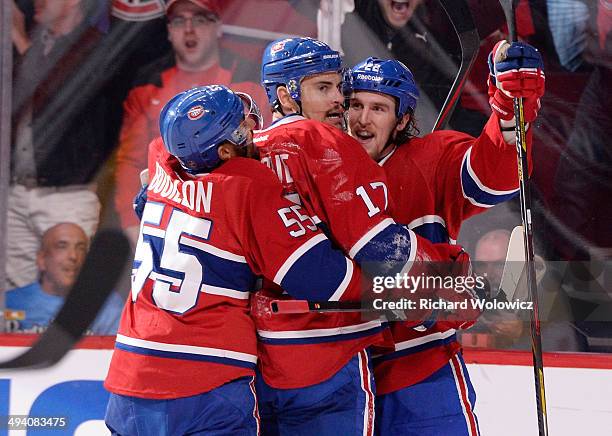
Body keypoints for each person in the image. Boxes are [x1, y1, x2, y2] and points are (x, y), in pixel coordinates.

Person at [104, 85, 388, 435]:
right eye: (242, 128)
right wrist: (414, 288)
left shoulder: (161, 157)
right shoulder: (247, 187)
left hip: (129, 378)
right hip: (205, 382)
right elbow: (325, 278)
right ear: (224, 150)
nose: (254, 130)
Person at [252, 37, 479, 435]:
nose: (339, 101)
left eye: (339, 87)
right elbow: (377, 243)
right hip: (331, 353)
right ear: (286, 95)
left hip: (260, 363)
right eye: (324, 88)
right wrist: (446, 289)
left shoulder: (244, 154)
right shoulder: (324, 142)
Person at [346, 48, 544, 435]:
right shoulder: (321, 167)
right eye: (354, 105)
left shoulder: (432, 158)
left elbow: (494, 177)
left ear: (402, 119)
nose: (362, 119)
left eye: (378, 108)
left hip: (420, 371)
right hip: (346, 373)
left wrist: (509, 109)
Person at [113, 0, 267, 245]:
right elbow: (130, 162)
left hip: (236, 219)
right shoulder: (146, 85)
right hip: (167, 217)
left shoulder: (247, 83)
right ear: (168, 31)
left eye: (199, 19)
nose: (188, 29)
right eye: (178, 20)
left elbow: (264, 151)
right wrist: (134, 225)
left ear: (218, 26)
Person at [8, 0, 114, 289]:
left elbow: (58, 92)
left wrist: (17, 36)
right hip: (17, 189)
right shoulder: (31, 45)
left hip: (68, 195)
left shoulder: (95, 45)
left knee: (67, 291)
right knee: (18, 297)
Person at [5, 223, 123, 335]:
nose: (73, 256)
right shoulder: (9, 303)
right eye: (62, 246)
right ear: (42, 259)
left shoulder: (107, 304)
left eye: (80, 248)